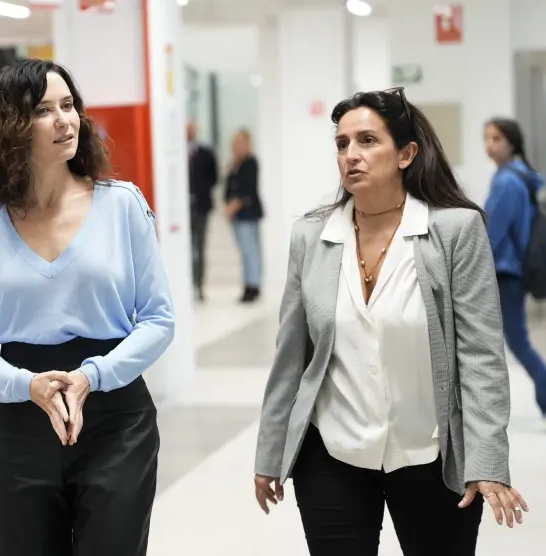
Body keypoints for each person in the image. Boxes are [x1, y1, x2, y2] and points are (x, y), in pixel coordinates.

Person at [253, 88, 529, 556]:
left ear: (406, 153)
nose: (351, 155)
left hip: (432, 456)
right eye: (342, 144)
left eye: (366, 141)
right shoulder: (312, 235)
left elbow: (481, 357)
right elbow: (291, 356)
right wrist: (270, 451)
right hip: (332, 452)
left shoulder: (455, 231)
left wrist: (487, 460)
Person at [0, 58, 175, 556]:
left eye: (69, 105)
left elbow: (159, 319)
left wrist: (92, 376)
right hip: (19, 418)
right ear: (8, 127)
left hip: (114, 415)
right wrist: (23, 384)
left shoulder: (122, 205)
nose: (64, 120)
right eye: (43, 110)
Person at [483, 117, 546, 417]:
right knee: (514, 338)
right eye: (487, 138)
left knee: (517, 340)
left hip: (506, 270)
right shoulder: (519, 175)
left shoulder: (508, 181)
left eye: (496, 138)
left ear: (512, 143)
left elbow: (494, 232)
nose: (489, 145)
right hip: (513, 269)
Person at [224, 128, 264, 302]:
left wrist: (235, 204)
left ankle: (253, 286)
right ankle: (247, 284)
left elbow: (248, 188)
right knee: (244, 251)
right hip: (236, 216)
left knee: (251, 251)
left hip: (247, 213)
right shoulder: (234, 164)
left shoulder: (251, 162)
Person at [188, 120, 219, 302]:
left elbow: (214, 177)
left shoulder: (206, 153)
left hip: (201, 207)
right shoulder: (177, 152)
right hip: (183, 210)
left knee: (200, 248)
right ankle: (188, 284)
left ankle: (199, 286)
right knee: (187, 249)